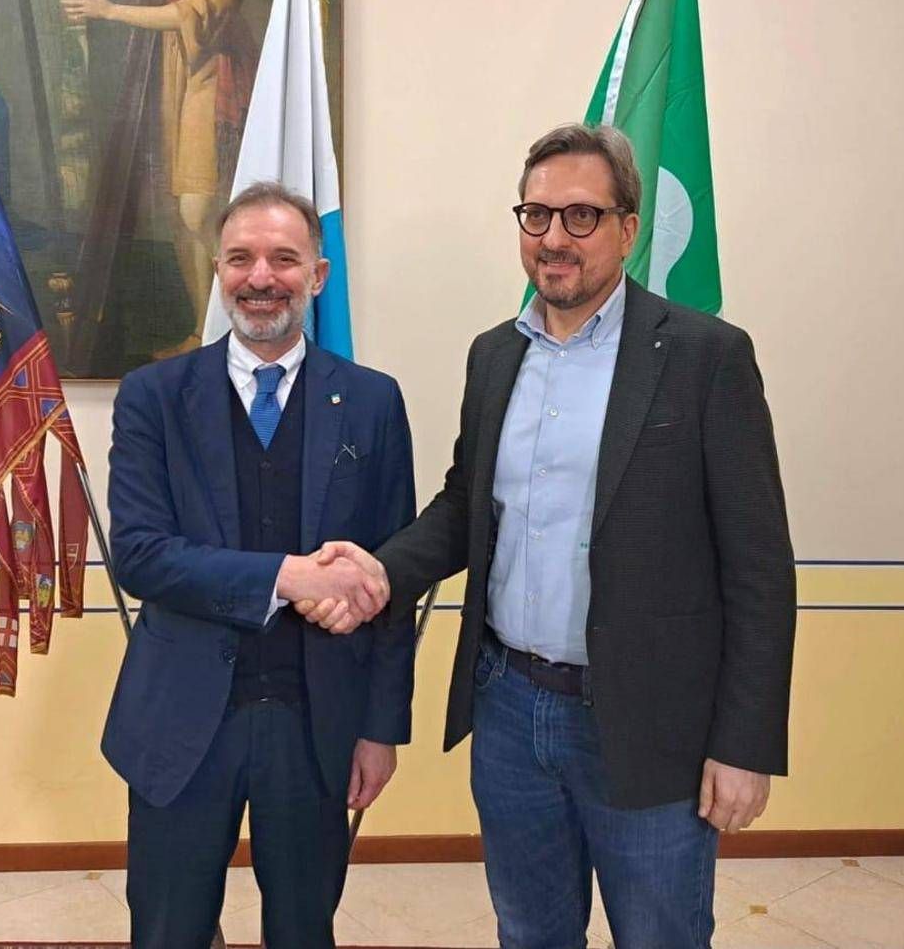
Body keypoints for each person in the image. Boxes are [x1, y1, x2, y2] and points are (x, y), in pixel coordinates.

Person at [302, 124, 797, 949]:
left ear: (628, 229)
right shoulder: (495, 356)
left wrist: (745, 745)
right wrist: (378, 572)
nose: (554, 238)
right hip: (508, 711)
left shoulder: (705, 357)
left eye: (580, 216)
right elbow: (467, 507)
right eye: (536, 215)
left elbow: (760, 569)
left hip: (650, 724)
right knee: (530, 933)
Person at [102, 181, 412, 949]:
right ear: (218, 270)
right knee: (167, 932)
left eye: (283, 258)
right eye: (240, 258)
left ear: (319, 275)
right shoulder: (153, 397)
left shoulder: (372, 402)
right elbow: (140, 554)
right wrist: (289, 577)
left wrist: (381, 730)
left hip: (316, 728)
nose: (261, 277)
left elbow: (391, 581)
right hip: (180, 724)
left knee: (304, 931)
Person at [64, 0, 256, 360]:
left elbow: (191, 14)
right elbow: (160, 0)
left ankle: (230, 329)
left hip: (209, 73)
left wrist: (111, 11)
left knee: (198, 210)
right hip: (171, 74)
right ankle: (203, 331)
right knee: (177, 213)